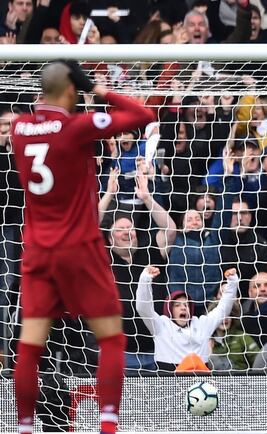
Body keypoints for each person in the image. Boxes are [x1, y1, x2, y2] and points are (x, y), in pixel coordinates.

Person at [11, 61, 154, 434]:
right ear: (73, 91)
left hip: (38, 250)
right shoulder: (77, 128)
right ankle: (108, 425)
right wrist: (101, 91)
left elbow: (43, 116)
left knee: (30, 346)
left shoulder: (18, 128)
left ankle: (24, 426)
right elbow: (142, 114)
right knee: (111, 338)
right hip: (79, 247)